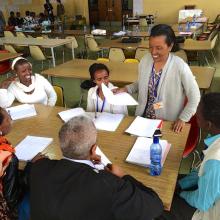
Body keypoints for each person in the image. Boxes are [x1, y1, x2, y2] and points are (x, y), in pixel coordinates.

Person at [30, 115, 163, 220]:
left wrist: (40, 162)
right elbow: (155, 206)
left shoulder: (38, 168)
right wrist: (123, 176)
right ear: (94, 149)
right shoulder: (109, 184)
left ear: (61, 145)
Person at [115, 24, 200, 133]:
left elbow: (195, 96)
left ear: (170, 46)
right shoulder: (145, 60)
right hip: (143, 117)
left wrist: (183, 118)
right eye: (151, 46)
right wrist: (126, 89)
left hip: (167, 120)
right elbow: (142, 82)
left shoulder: (179, 66)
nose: (153, 52)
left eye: (159, 48)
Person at [158, 92, 220, 220]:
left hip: (206, 212)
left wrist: (181, 193)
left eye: (197, 116)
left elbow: (203, 203)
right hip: (207, 192)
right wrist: (181, 184)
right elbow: (201, 173)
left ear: (208, 125)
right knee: (168, 183)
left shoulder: (215, 159)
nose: (194, 116)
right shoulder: (213, 139)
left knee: (157, 205)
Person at [0, 107, 45, 220]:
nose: (11, 119)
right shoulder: (7, 157)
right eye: (8, 118)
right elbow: (12, 198)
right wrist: (31, 165)